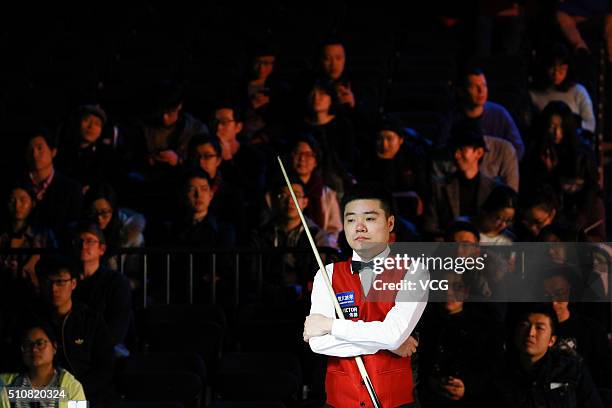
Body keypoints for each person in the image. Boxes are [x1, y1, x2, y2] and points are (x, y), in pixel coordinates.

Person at [304, 184, 427, 408]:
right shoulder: (326, 275)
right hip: (338, 402)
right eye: (351, 220)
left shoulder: (414, 271)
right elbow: (318, 344)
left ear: (390, 223)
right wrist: (388, 344)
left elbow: (394, 334)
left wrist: (330, 325)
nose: (359, 227)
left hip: (396, 402)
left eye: (369, 219)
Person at [34, 255, 115, 404]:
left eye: (60, 282)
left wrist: (74, 392)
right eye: (48, 282)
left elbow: (105, 366)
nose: (54, 288)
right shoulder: (31, 321)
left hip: (83, 395)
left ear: (73, 283)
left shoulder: (90, 320)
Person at [492, 303, 604, 407]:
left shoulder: (571, 369)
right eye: (524, 325)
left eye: (539, 328)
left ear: (552, 340)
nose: (530, 333)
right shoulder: (499, 371)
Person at [521, 101, 603, 240]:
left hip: (577, 210)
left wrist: (578, 222)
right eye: (552, 126)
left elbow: (591, 189)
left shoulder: (581, 152)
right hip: (548, 212)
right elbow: (531, 187)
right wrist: (547, 172)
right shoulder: (537, 150)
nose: (557, 133)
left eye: (561, 127)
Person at [542, 267, 612, 388]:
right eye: (547, 295)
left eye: (559, 293)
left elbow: (603, 375)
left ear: (569, 291)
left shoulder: (591, 330)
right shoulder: (535, 328)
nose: (553, 301)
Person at [425, 128, 499, 239]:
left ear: (478, 152)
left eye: (461, 150)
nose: (456, 155)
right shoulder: (438, 187)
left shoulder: (494, 189)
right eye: (454, 150)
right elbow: (430, 228)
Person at [72, 223, 132, 356]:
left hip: (106, 347)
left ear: (102, 249)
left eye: (90, 241)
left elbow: (116, 328)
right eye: (79, 241)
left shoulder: (116, 282)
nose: (83, 246)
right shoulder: (67, 280)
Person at [0, 323, 86, 408]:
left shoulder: (73, 387)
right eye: (27, 345)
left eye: (40, 343)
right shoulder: (5, 385)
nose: (34, 349)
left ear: (54, 347)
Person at [449, 68, 524, 159]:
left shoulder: (500, 114)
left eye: (484, 86)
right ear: (461, 92)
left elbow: (518, 149)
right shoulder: (452, 118)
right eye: (474, 87)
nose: (481, 91)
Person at [21, 129, 83, 238]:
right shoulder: (18, 185)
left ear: (53, 152)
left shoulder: (71, 188)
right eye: (30, 149)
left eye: (40, 148)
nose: (35, 154)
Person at [529, 43, 596, 133]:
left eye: (561, 69)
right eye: (552, 68)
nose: (556, 74)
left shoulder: (578, 91)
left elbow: (590, 124)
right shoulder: (534, 94)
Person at [289, 135, 342, 246]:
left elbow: (335, 229)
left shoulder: (327, 194)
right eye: (298, 153)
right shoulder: (283, 191)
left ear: (316, 161)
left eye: (308, 155)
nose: (302, 159)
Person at [82, 183, 145, 273]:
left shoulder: (131, 234)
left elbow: (134, 275)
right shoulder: (82, 230)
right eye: (93, 212)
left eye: (104, 213)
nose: (99, 218)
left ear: (113, 210)